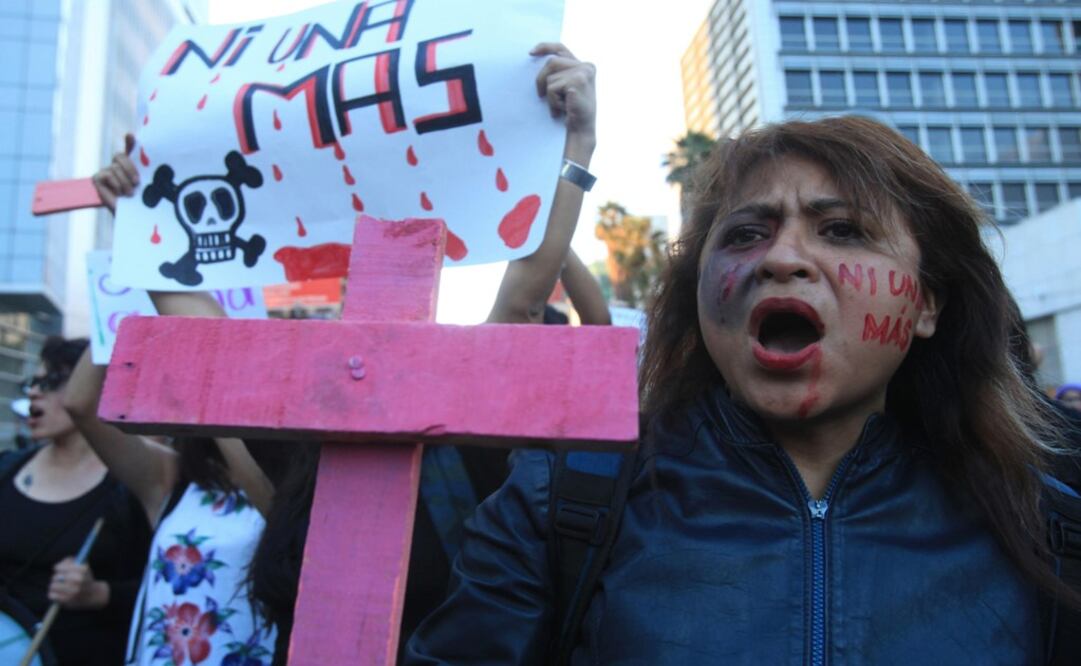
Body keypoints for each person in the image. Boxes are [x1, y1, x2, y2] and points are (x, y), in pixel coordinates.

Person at [405, 115, 1080, 663]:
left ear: (926, 302)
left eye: (841, 230)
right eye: (745, 234)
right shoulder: (561, 501)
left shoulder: (1048, 525)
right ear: (699, 297)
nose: (780, 258)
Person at [243, 42, 603, 664]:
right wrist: (146, 217)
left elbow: (521, 303)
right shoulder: (295, 446)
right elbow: (198, 344)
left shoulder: (468, 428)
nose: (366, 332)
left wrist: (573, 146)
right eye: (352, 303)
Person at [62, 159, 293, 665]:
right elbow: (80, 405)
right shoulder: (169, 482)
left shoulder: (284, 484)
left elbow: (230, 377)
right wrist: (125, 281)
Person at [0, 337, 150, 665]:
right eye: (33, 383)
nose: (34, 393)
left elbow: (162, 584)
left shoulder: (134, 485)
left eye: (51, 382)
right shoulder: (6, 468)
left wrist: (99, 594)